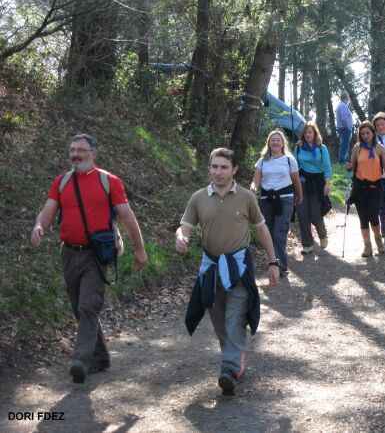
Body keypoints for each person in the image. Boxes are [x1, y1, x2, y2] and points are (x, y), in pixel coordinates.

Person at [30, 133, 148, 384]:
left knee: (87, 306)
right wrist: (39, 226)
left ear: (94, 153)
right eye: (73, 150)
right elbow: (47, 212)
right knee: (79, 308)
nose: (76, 154)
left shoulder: (109, 181)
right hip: (68, 253)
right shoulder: (62, 182)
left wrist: (140, 249)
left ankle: (81, 361)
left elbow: (127, 216)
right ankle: (101, 356)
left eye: (81, 150)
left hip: (96, 254)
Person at [176, 147, 279, 396]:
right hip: (211, 269)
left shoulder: (246, 197)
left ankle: (229, 369)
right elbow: (185, 227)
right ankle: (235, 360)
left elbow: (262, 230)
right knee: (220, 322)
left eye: (223, 167)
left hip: (239, 269)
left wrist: (273, 262)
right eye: (214, 166)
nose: (218, 171)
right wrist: (181, 238)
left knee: (235, 319)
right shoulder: (198, 198)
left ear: (234, 169)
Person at [250, 130, 303, 277]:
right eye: (272, 140)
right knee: (268, 233)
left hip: (285, 199)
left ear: (282, 143)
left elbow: (296, 180)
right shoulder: (262, 161)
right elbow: (256, 180)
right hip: (266, 200)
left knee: (279, 232)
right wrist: (252, 189)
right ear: (268, 143)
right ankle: (273, 262)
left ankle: (281, 266)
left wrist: (299, 196)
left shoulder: (289, 160)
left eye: (278, 140)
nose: (275, 142)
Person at [346, 121, 385, 257]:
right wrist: (348, 166)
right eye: (362, 134)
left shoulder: (380, 148)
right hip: (359, 187)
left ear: (373, 133)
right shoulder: (357, 148)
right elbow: (352, 166)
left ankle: (378, 240)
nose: (365, 136)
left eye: (368, 133)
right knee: (363, 217)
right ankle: (367, 246)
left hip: (375, 187)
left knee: (373, 215)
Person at [293, 121, 333, 255]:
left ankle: (322, 234)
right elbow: (294, 167)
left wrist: (327, 183)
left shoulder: (321, 148)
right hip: (302, 183)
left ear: (315, 133)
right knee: (302, 212)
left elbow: (327, 167)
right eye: (305, 132)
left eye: (310, 132)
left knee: (315, 213)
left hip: (317, 184)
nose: (308, 135)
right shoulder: (298, 148)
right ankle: (307, 244)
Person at [335, 91, 354, 164]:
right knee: (344, 145)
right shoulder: (343, 106)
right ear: (346, 97)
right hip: (345, 128)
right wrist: (348, 127)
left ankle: (346, 160)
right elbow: (344, 118)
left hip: (343, 128)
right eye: (348, 96)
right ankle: (342, 161)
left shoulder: (342, 105)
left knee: (345, 145)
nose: (349, 98)